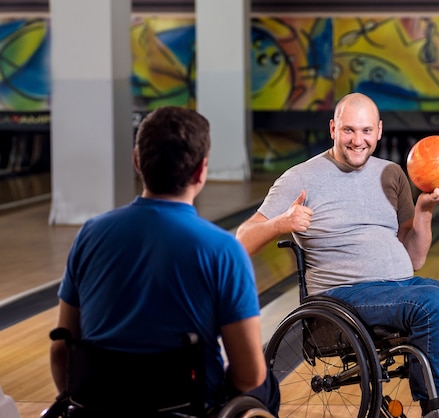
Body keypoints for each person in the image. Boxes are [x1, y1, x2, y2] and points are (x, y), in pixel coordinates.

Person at [236, 92, 439, 418]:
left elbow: (415, 259)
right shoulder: (300, 178)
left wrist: (424, 209)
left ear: (379, 131)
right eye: (348, 130)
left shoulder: (392, 174)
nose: (357, 140)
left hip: (403, 289)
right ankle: (436, 407)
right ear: (333, 129)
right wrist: (282, 222)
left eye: (365, 131)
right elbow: (243, 238)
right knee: (431, 302)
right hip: (343, 298)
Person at [49, 106, 279, 416]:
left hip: (98, 404)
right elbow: (248, 375)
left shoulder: (90, 235)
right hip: (188, 405)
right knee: (266, 383)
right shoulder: (223, 250)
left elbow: (61, 350)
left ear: (136, 161)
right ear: (201, 171)